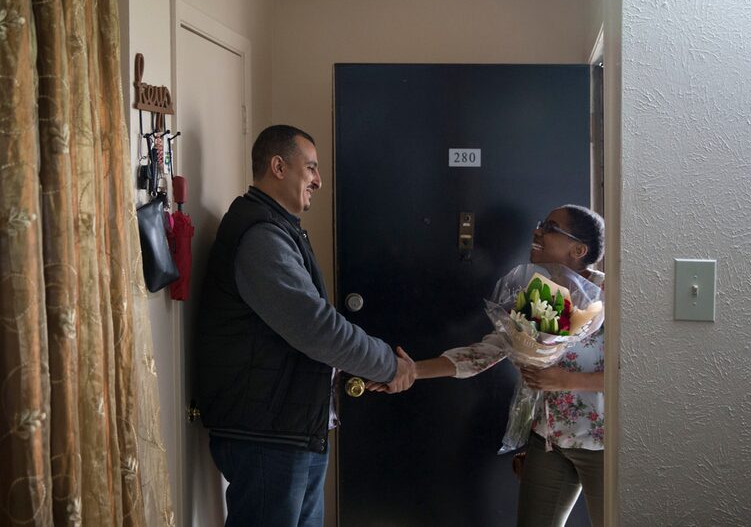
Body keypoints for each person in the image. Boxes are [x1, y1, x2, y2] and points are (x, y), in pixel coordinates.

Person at [195, 125, 416, 527]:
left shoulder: (279, 228)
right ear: (278, 167)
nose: (318, 179)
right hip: (268, 434)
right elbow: (317, 328)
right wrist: (386, 363)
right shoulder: (261, 236)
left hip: (291, 428)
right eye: (310, 168)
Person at [372, 204, 605, 527]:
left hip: (602, 444)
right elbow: (486, 352)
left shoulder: (614, 298)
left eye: (550, 227)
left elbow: (632, 376)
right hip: (548, 441)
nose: (537, 231)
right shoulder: (539, 296)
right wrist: (411, 371)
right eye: (540, 224)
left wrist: (563, 379)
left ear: (579, 250)